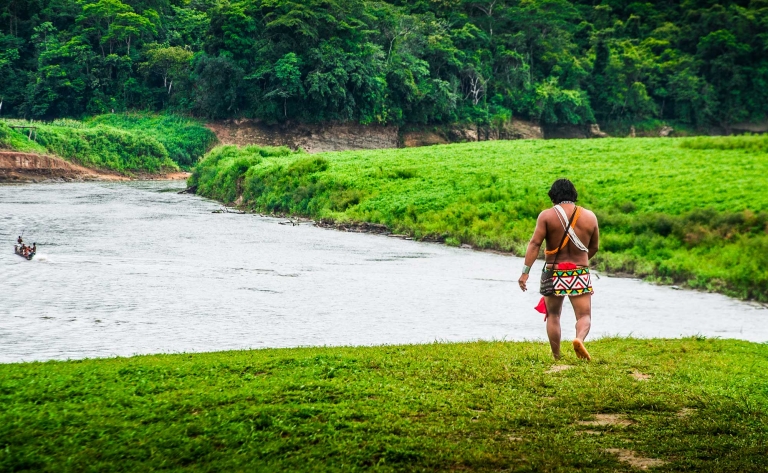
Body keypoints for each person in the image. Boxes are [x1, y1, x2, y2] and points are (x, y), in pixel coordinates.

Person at [518, 179, 600, 360]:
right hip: (579, 273)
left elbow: (535, 244)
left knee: (553, 314)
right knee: (584, 315)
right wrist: (580, 264)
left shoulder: (546, 216)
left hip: (554, 273)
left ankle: (557, 356)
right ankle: (579, 339)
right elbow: (594, 247)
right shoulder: (590, 217)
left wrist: (525, 272)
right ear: (573, 195)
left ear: (553, 196)